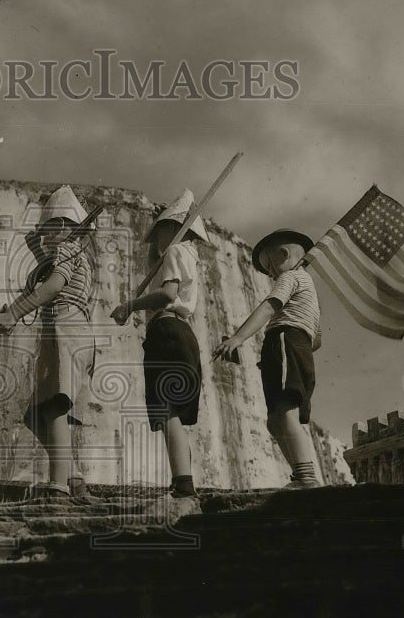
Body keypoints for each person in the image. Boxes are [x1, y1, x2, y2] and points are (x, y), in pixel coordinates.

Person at [0, 186, 97, 499]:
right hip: (71, 330)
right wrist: (39, 239)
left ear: (66, 228)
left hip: (64, 327)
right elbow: (44, 262)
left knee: (54, 408)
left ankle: (58, 487)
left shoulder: (67, 250)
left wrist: (13, 314)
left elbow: (51, 286)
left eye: (51, 228)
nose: (46, 235)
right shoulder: (75, 252)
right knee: (36, 415)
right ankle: (73, 475)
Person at [111, 189, 205, 499]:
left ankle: (182, 484)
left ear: (175, 228)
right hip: (181, 334)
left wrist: (130, 305)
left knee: (167, 411)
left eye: (160, 230)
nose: (156, 238)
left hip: (166, 331)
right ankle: (183, 480)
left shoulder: (177, 252)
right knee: (172, 412)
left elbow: (167, 295)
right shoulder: (188, 256)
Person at [214, 229, 323, 489]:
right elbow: (317, 339)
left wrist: (238, 338)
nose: (271, 274)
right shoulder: (311, 290)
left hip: (285, 341)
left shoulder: (291, 276)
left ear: (283, 255)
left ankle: (307, 477)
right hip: (299, 346)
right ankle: (300, 474)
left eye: (269, 267)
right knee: (275, 420)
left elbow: (268, 306)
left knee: (284, 411)